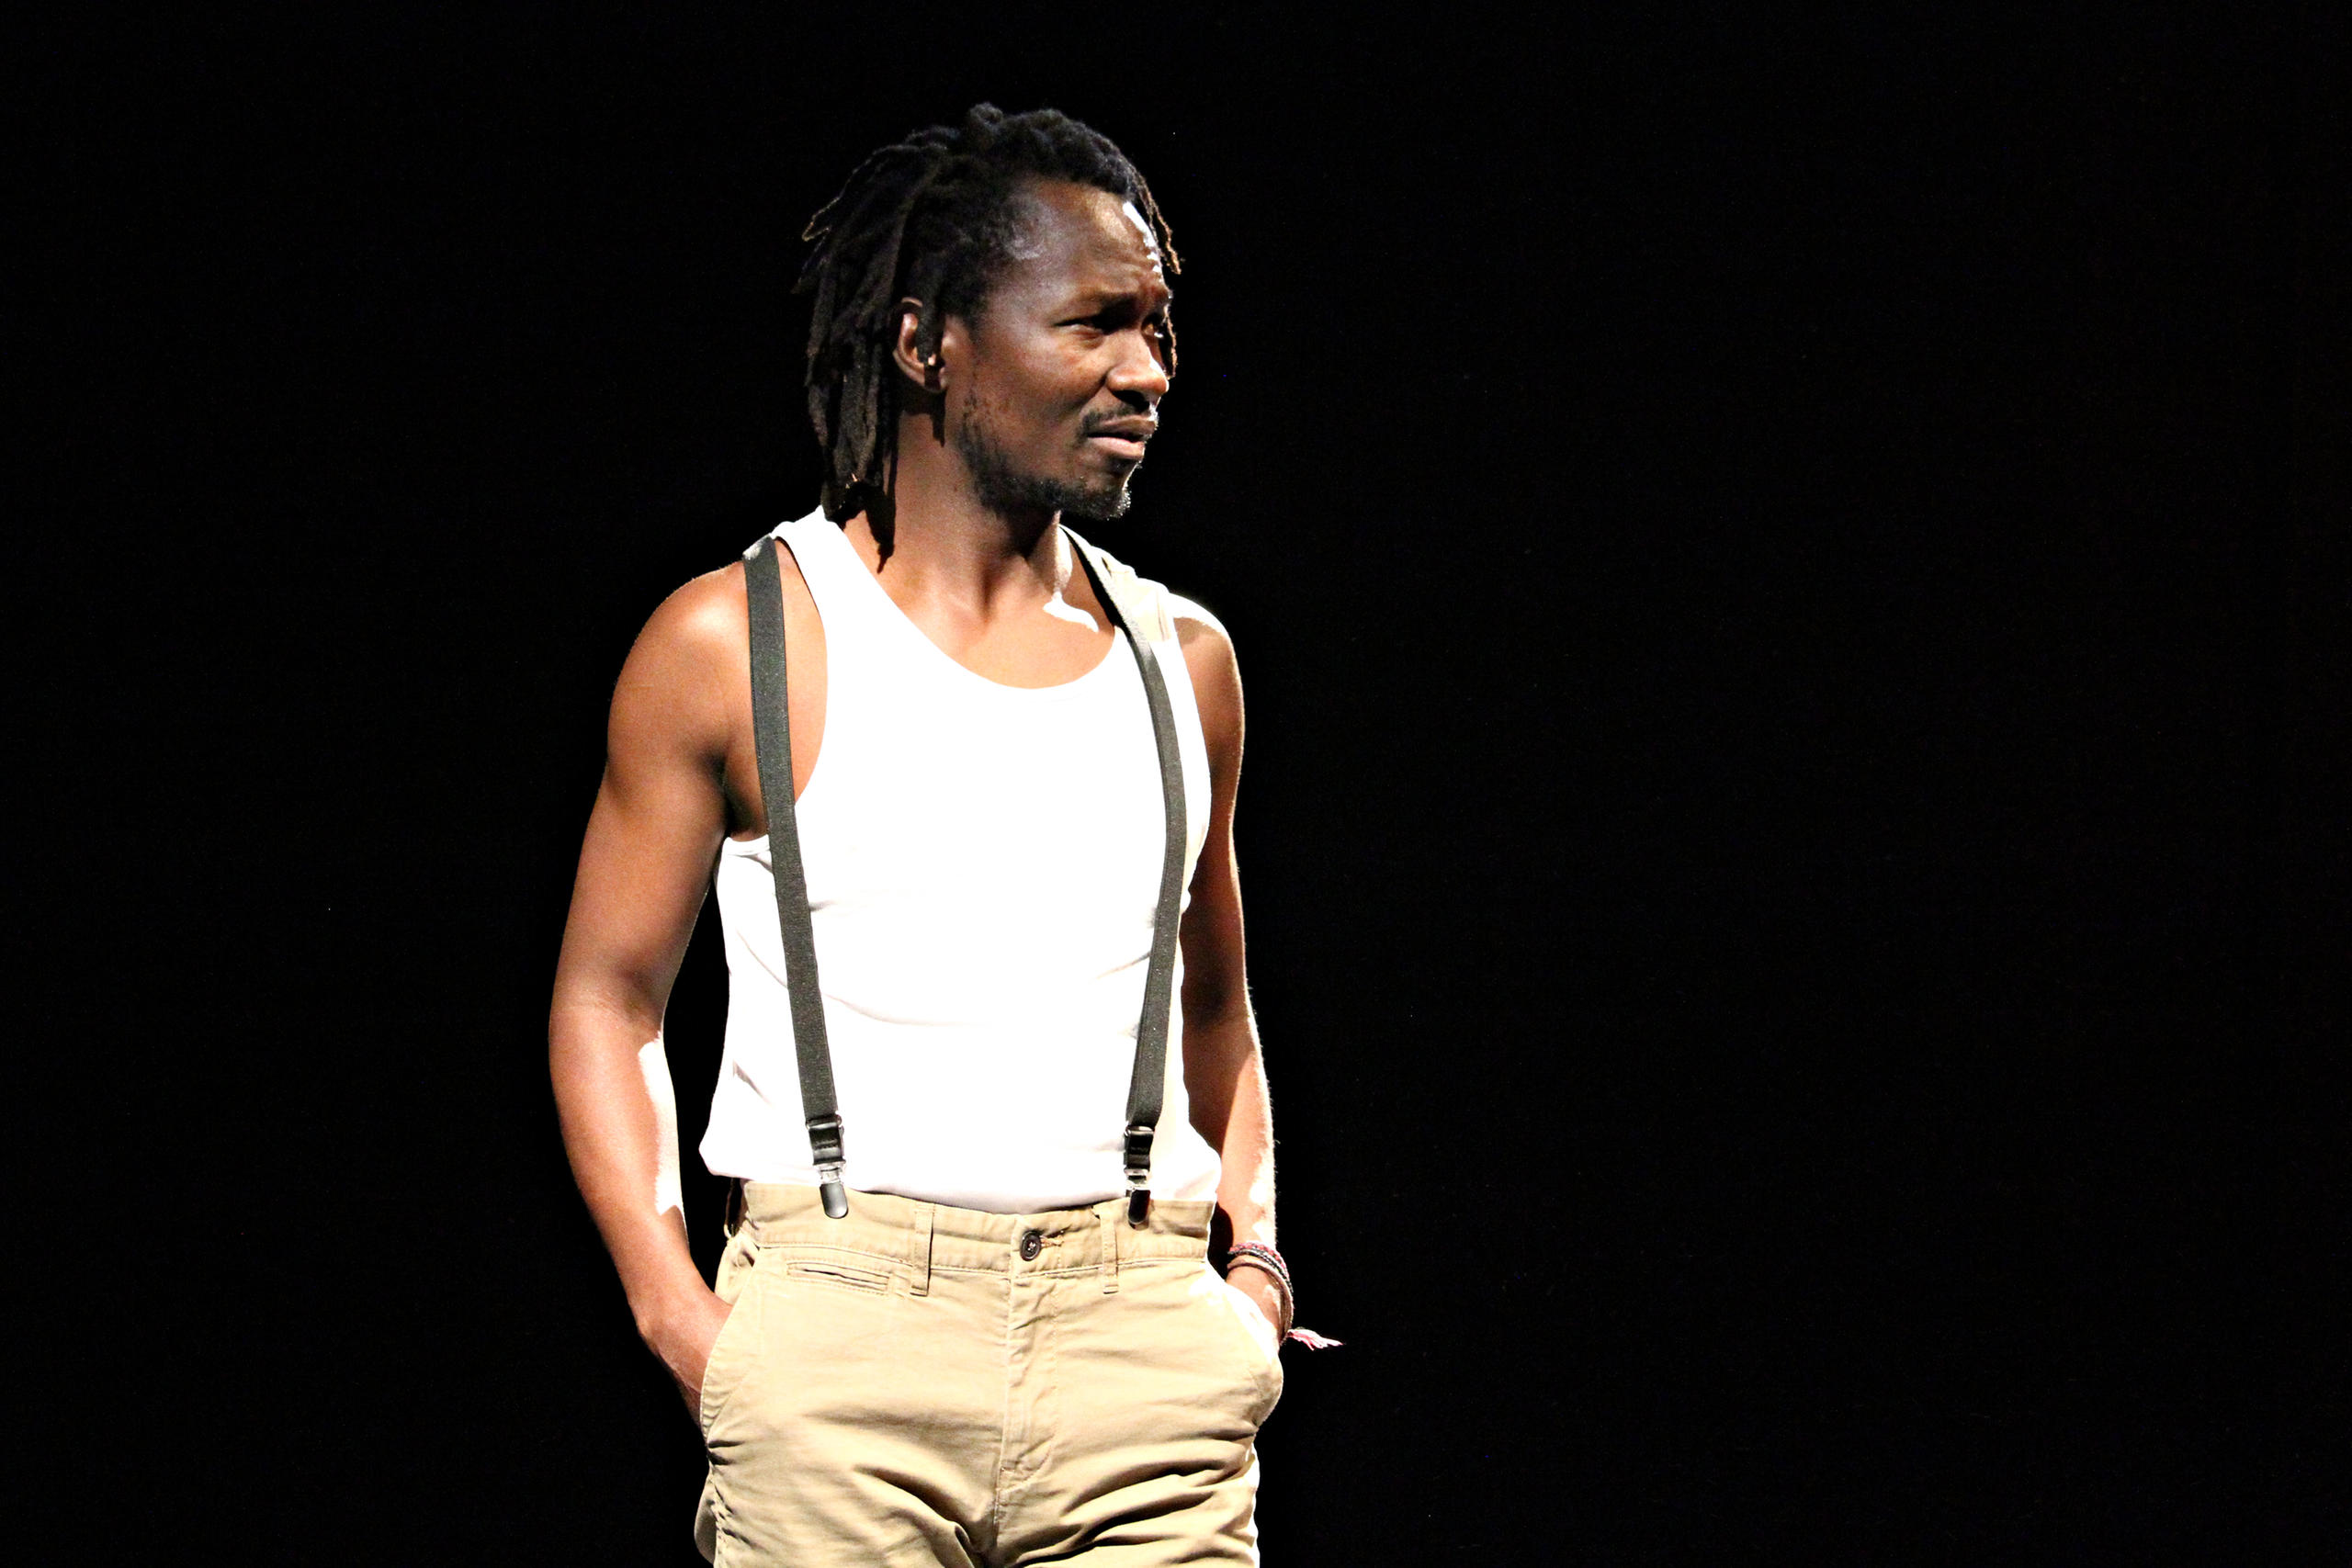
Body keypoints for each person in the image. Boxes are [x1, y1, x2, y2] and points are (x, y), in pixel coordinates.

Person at [548, 104, 1318, 1566]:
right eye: (1094, 323)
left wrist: (1256, 1277)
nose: (1148, 370)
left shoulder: (1185, 662)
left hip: (1144, 1368)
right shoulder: (740, 644)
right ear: (926, 345)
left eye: (1158, 326)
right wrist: (685, 1322)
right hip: (842, 1354)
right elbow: (607, 994)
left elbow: (1216, 1006)